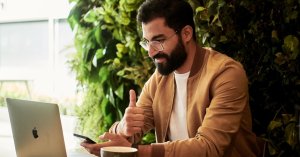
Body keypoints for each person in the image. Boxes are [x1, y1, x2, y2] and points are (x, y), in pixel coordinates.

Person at [81, 0, 260, 156]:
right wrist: (124, 128)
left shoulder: (226, 73)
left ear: (187, 34)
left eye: (158, 41)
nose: (151, 52)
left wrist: (136, 152)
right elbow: (128, 135)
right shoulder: (160, 79)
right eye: (147, 42)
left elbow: (209, 148)